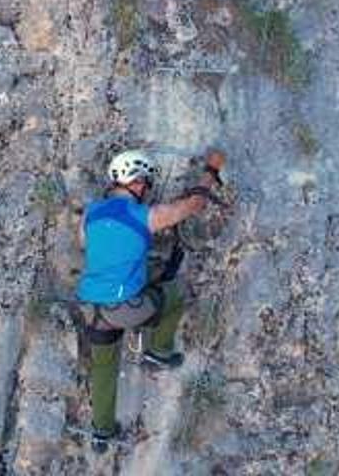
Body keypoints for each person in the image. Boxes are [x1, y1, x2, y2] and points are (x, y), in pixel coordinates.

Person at [75, 148, 226, 451]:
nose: (147, 190)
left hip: (89, 307)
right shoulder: (143, 215)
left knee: (104, 369)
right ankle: (159, 349)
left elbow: (87, 245)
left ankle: (102, 432)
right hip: (122, 309)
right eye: (146, 183)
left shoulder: (91, 212)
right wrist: (211, 171)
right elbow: (193, 204)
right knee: (176, 292)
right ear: (137, 181)